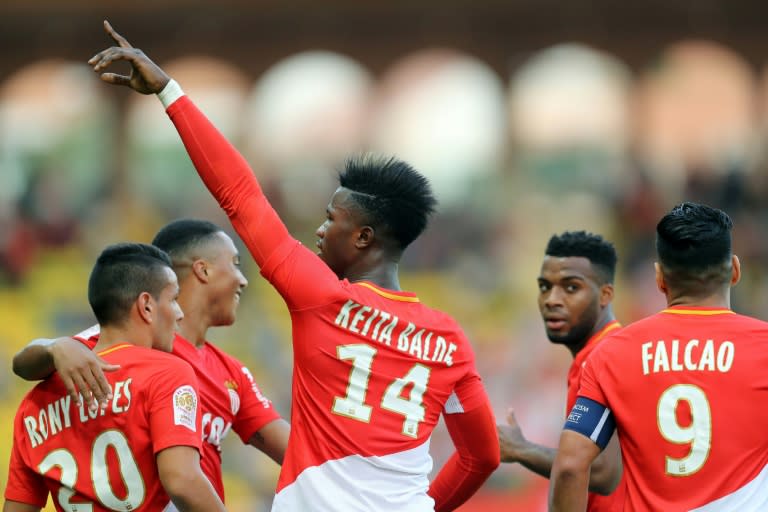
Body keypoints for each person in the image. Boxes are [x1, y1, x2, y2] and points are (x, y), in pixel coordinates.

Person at [88, 20, 500, 512]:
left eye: (332, 219)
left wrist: (169, 93)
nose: (320, 230)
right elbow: (483, 456)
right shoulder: (449, 340)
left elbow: (240, 195)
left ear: (365, 237)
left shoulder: (320, 296)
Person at [12, 219, 290, 503]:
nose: (243, 279)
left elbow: (295, 454)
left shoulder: (233, 373)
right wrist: (56, 346)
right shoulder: (139, 342)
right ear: (202, 269)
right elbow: (24, 364)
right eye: (235, 263)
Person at [550, 202, 768, 511]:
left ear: (659, 277)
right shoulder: (763, 348)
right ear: (734, 270)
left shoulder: (612, 354)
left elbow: (570, 464)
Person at [3, 243, 226, 512]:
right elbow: (182, 481)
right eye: (174, 299)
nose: (180, 313)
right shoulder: (167, 373)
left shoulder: (33, 405)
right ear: (146, 306)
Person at [498, 231, 623, 510]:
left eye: (570, 288)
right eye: (545, 287)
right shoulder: (598, 353)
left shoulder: (607, 356)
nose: (552, 299)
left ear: (605, 294)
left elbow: (603, 473)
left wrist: (521, 449)